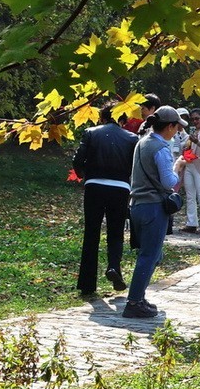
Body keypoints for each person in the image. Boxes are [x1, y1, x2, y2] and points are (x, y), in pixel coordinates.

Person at [124, 106, 183, 319]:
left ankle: (138, 297)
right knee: (149, 256)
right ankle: (134, 302)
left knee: (151, 254)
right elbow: (168, 182)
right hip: (154, 207)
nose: (177, 131)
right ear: (169, 127)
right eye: (176, 127)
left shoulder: (142, 142)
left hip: (137, 205)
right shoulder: (161, 148)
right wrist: (177, 167)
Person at [73, 102, 137, 295]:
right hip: (120, 188)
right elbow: (135, 166)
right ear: (123, 119)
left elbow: (78, 160)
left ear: (102, 117)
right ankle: (114, 266)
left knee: (91, 233)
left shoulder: (91, 133)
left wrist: (85, 175)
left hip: (95, 186)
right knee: (116, 232)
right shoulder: (132, 138)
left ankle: (87, 283)